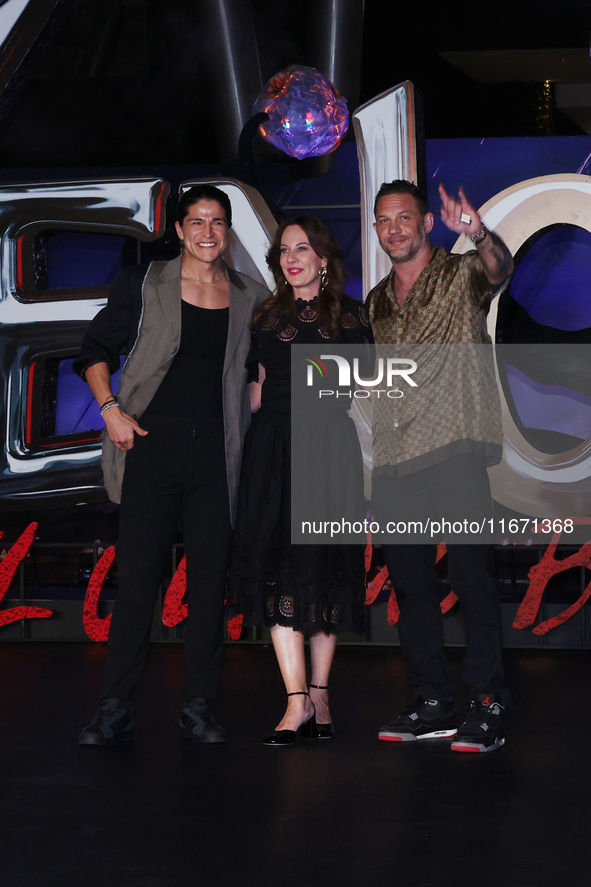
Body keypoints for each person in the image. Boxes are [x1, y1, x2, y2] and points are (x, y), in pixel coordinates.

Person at [74, 184, 269, 745]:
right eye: (198, 222)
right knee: (137, 583)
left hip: (216, 458)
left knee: (209, 586)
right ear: (181, 230)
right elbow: (95, 350)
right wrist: (110, 409)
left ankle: (200, 705)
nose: (208, 232)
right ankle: (114, 705)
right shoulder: (145, 281)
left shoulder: (248, 295)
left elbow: (258, 372)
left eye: (218, 222)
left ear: (227, 232)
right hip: (149, 448)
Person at [368, 180, 514, 753]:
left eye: (405, 217)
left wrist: (477, 233)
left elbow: (500, 270)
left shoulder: (460, 274)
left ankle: (488, 700)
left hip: (453, 449)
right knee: (412, 586)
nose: (395, 228)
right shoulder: (376, 300)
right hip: (396, 458)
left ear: (428, 224)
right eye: (384, 221)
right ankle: (432, 700)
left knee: (471, 577)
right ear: (376, 229)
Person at [227, 215, 372, 745]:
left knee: (323, 567)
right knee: (279, 570)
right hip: (275, 448)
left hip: (329, 449)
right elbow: (256, 392)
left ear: (324, 257)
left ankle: (320, 693)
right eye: (284, 251)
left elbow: (364, 392)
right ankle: (294, 702)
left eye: (302, 248)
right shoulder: (266, 315)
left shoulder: (355, 316)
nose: (291, 258)